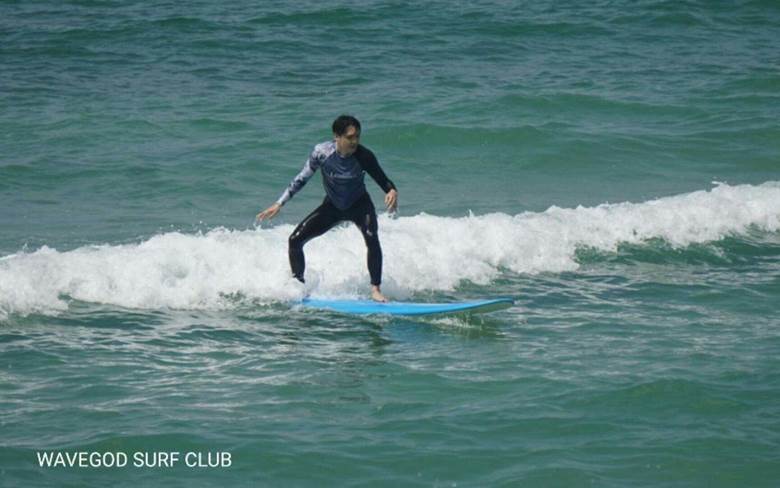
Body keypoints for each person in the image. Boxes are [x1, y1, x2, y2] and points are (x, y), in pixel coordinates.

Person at [256, 115, 398, 302]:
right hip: (332, 206)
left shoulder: (364, 156)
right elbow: (302, 178)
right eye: (350, 137)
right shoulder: (322, 153)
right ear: (336, 136)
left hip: (360, 205)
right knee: (295, 240)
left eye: (357, 136)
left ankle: (375, 290)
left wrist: (391, 190)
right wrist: (279, 203)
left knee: (372, 238)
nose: (355, 141)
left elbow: (383, 179)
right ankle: (298, 286)